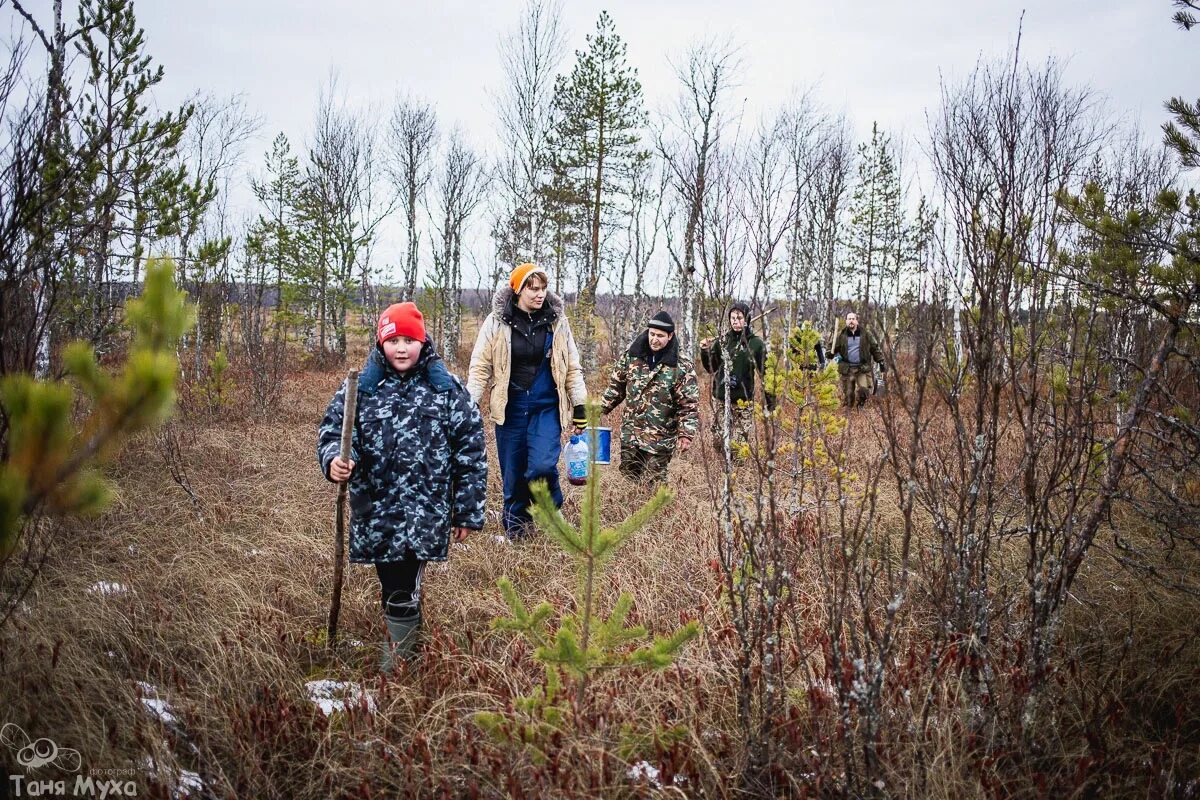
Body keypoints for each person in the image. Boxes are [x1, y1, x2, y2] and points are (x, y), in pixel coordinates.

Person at [317, 302, 487, 672]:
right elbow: (333, 432)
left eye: (409, 340)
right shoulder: (361, 388)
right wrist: (336, 460)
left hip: (427, 512)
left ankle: (397, 667)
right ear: (381, 343)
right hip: (378, 511)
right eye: (394, 340)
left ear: (423, 342)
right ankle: (409, 643)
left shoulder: (446, 390)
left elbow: (471, 450)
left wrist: (468, 512)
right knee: (393, 583)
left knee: (401, 584)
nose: (401, 348)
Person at [467, 263, 587, 539]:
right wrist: (469, 404)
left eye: (543, 288)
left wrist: (580, 404)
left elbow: (572, 366)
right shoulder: (497, 321)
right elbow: (480, 366)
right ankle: (515, 532)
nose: (539, 294)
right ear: (517, 290)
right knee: (514, 473)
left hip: (546, 406)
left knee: (542, 465)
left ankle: (553, 511)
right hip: (510, 408)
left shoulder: (557, 321)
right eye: (532, 289)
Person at [600, 311, 700, 480]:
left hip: (660, 437)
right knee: (629, 479)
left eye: (660, 336)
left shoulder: (681, 366)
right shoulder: (631, 356)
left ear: (670, 336)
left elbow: (689, 405)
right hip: (630, 434)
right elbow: (616, 389)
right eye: (652, 334)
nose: (654, 339)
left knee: (654, 484)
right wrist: (595, 411)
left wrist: (686, 434)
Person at [699, 301, 775, 444]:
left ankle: (738, 466)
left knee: (740, 447)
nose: (735, 321)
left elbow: (766, 374)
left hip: (743, 403)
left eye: (739, 318)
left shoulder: (756, 344)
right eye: (732, 318)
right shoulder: (722, 341)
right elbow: (711, 368)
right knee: (719, 443)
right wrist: (705, 351)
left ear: (747, 319)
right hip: (721, 400)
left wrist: (770, 402)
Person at [830, 311, 885, 409]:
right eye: (849, 319)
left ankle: (861, 405)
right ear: (846, 321)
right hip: (847, 368)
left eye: (853, 319)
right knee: (849, 393)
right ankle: (849, 411)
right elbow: (832, 348)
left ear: (857, 321)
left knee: (864, 390)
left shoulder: (866, 334)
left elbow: (874, 348)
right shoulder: (841, 336)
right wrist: (830, 353)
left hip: (862, 368)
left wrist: (880, 360)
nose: (851, 321)